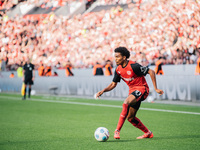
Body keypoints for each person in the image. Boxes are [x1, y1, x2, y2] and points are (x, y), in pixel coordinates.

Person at [96, 47, 164, 139]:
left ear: (124, 57)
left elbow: (151, 72)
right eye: (115, 57)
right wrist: (103, 90)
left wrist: (155, 88)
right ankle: (148, 133)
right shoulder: (118, 69)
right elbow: (113, 84)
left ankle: (117, 131)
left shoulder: (134, 66)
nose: (115, 59)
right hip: (133, 92)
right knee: (130, 118)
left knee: (126, 102)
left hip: (142, 89)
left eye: (117, 57)